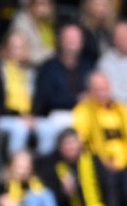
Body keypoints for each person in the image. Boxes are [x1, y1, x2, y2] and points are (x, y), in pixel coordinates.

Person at [33, 24, 95, 156]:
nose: (72, 42)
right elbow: (46, 99)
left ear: (82, 42)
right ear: (60, 40)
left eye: (76, 38)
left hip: (85, 113)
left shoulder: (88, 66)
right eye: (68, 38)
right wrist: (76, 99)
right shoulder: (49, 67)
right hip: (57, 114)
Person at [72, 71, 127, 184]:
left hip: (126, 165)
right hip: (98, 166)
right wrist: (103, 161)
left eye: (104, 88)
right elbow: (82, 142)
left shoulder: (123, 109)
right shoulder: (82, 111)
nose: (101, 93)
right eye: (97, 89)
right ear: (89, 91)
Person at [9, 0, 59, 66]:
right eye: (42, 4)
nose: (46, 8)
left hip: (49, 66)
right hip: (28, 68)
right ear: (31, 6)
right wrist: (53, 53)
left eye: (48, 4)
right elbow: (24, 56)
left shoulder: (48, 22)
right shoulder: (21, 23)